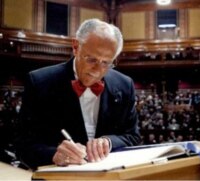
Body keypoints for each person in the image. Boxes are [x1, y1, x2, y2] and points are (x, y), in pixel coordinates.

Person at [15, 19, 141, 170]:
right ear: (75, 47)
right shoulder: (39, 82)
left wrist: (109, 141)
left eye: (106, 62)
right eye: (91, 59)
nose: (97, 70)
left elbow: (133, 137)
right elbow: (22, 145)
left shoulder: (125, 84)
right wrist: (54, 155)